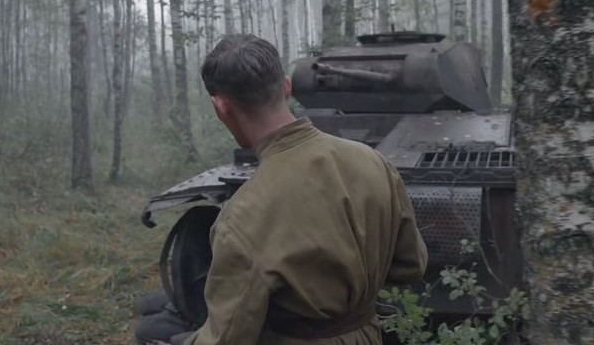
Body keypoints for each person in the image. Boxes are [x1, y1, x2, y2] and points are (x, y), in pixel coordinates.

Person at [166, 34, 427, 345]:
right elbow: (411, 265)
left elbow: (227, 337)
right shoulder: (374, 162)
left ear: (221, 106)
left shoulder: (242, 217)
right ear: (287, 87)